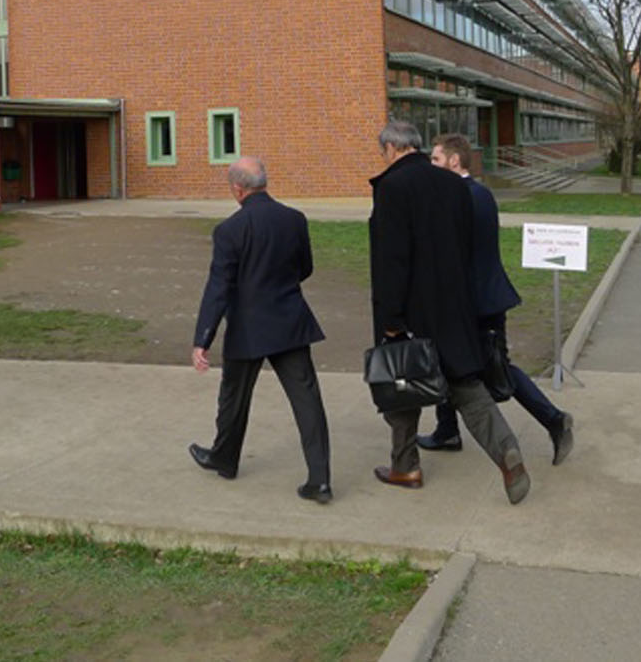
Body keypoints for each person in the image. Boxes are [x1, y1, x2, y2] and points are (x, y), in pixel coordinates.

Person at [368, 120, 530, 505]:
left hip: (410, 310)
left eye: (382, 152)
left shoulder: (392, 187)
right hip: (454, 306)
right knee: (465, 385)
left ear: (392, 149)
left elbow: (391, 260)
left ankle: (405, 465)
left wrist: (391, 320)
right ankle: (506, 449)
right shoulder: (454, 185)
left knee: (400, 384)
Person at [417, 133, 573, 465]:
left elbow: (453, 254)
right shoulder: (480, 192)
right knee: (446, 359)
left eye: (435, 159)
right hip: (483, 295)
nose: (431, 165)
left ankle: (554, 419)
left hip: (475, 302)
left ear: (453, 161)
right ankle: (447, 430)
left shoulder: (460, 197)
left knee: (498, 369)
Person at [188, 156, 333, 504]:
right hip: (289, 321)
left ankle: (224, 457)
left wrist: (201, 340)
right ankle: (320, 478)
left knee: (234, 398)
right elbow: (305, 268)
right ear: (262, 183)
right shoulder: (294, 220)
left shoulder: (229, 231)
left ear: (237, 189)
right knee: (307, 400)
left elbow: (218, 288)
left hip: (249, 326)